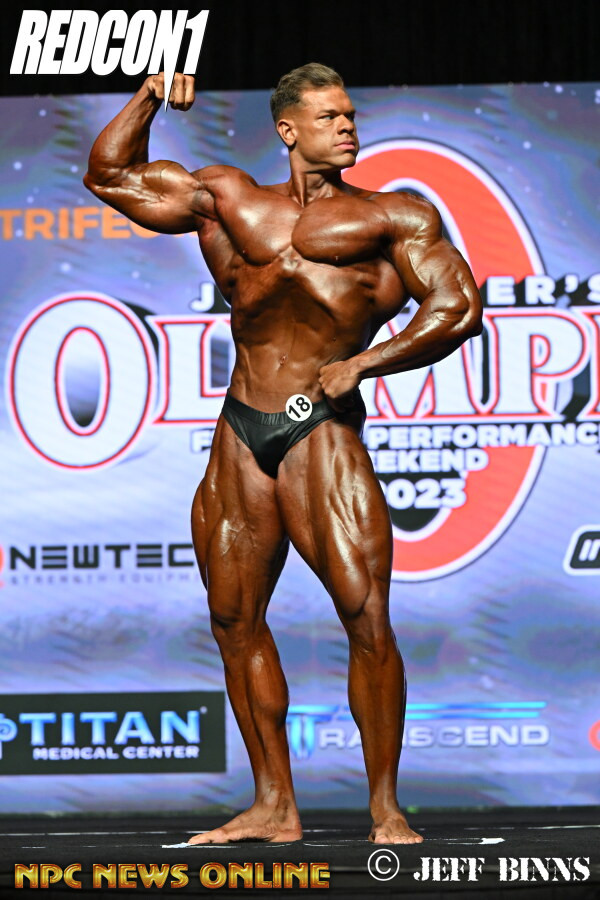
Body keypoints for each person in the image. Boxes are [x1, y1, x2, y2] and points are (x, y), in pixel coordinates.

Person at [84, 63, 482, 845]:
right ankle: (274, 805)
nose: (347, 126)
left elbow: (459, 306)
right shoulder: (228, 199)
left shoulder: (393, 216)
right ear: (288, 129)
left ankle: (385, 808)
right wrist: (150, 96)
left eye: (350, 114)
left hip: (320, 425)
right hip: (241, 428)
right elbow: (109, 175)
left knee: (365, 615)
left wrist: (366, 363)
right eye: (330, 116)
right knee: (233, 619)